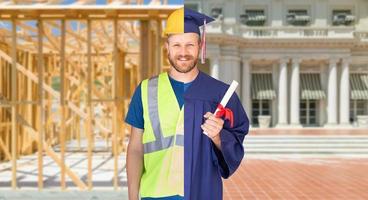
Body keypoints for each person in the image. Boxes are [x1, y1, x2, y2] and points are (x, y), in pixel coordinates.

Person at [125, 7, 249, 200]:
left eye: (190, 45)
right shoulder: (145, 90)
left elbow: (236, 145)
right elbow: (135, 148)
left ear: (200, 46)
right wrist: (133, 196)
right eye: (176, 45)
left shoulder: (221, 93)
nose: (183, 52)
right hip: (155, 194)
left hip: (203, 193)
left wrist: (218, 137)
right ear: (167, 47)